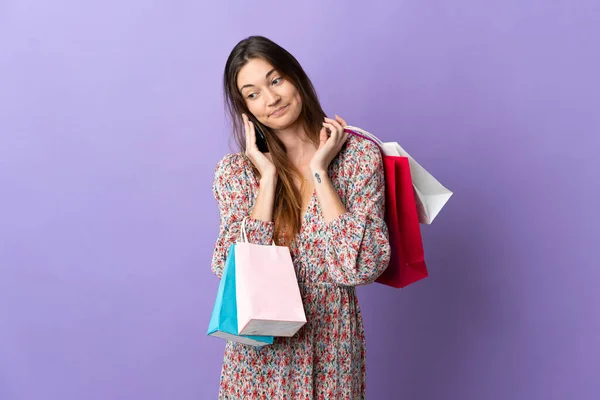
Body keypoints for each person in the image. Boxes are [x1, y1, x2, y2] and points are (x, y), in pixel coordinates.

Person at [211, 35, 391, 399]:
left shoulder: (359, 157)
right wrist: (268, 182)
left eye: (276, 80)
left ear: (296, 77)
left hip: (332, 350)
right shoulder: (238, 173)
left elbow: (358, 268)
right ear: (245, 109)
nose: (271, 98)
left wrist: (320, 171)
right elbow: (230, 268)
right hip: (258, 358)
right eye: (253, 93)